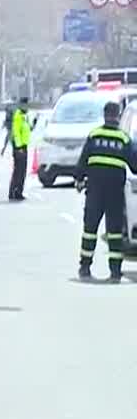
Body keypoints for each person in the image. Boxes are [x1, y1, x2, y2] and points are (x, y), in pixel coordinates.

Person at [73, 100, 137, 282]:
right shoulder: (123, 139)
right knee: (115, 232)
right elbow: (134, 165)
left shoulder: (94, 135)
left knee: (90, 229)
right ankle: (115, 272)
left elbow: (83, 160)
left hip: (95, 190)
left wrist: (79, 179)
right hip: (115, 192)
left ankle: (85, 268)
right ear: (118, 116)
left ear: (104, 115)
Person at [8, 97, 31, 200]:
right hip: (19, 147)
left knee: (22, 171)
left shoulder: (24, 116)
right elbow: (16, 132)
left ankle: (18, 192)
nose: (27, 107)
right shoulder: (18, 115)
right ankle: (14, 192)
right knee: (18, 171)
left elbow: (26, 130)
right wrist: (19, 147)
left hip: (23, 146)